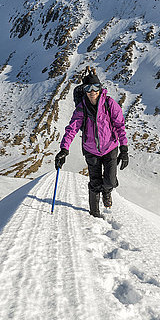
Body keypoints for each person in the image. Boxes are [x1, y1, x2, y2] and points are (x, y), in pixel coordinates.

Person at [55, 70, 129, 217]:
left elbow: (120, 125)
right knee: (95, 184)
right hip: (91, 150)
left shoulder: (109, 104)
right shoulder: (82, 108)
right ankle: (94, 214)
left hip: (110, 148)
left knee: (110, 181)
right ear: (84, 90)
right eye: (88, 88)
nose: (92, 91)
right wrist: (64, 149)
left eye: (95, 87)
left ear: (100, 88)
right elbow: (72, 128)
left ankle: (107, 192)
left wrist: (124, 148)